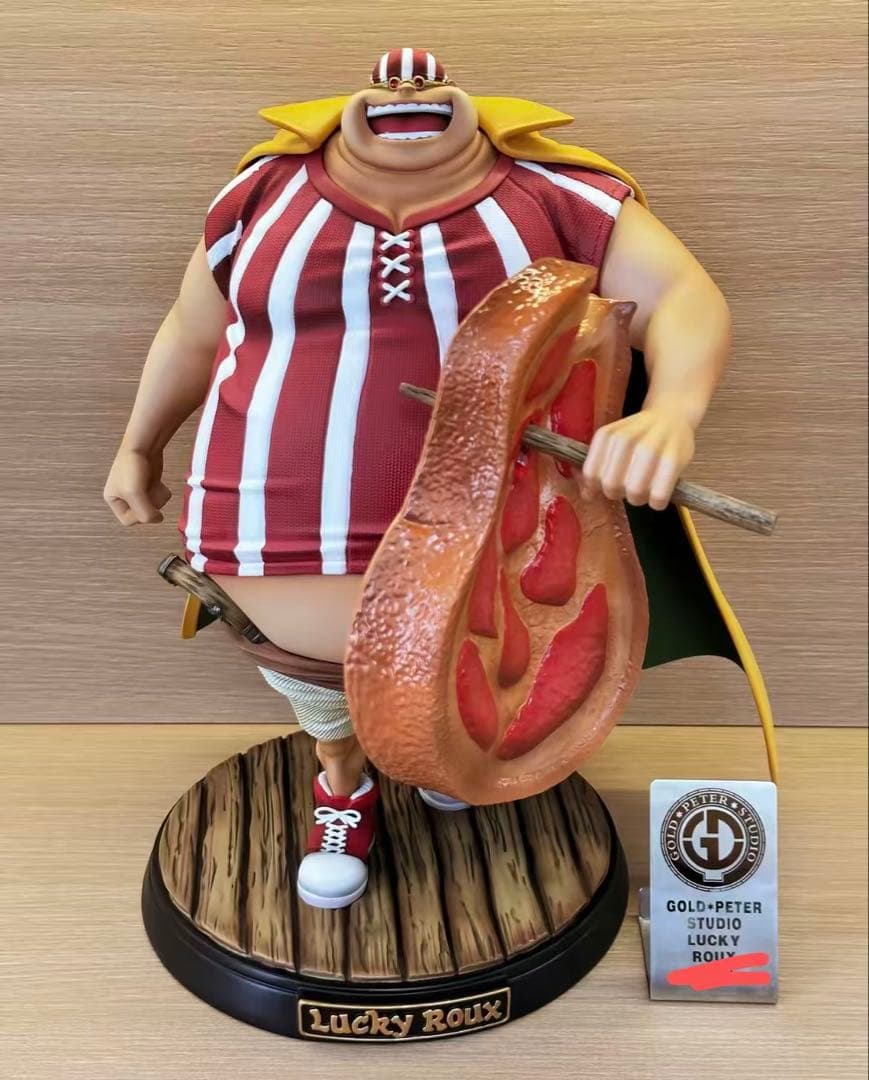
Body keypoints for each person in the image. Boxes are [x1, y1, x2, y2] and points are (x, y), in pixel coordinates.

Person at [104, 49, 732, 909]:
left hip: (494, 519)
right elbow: (191, 330)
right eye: (390, 90)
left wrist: (671, 412)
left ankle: (450, 753)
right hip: (267, 516)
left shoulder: (560, 196)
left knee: (478, 658)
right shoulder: (255, 196)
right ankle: (343, 787)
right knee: (318, 690)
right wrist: (139, 445)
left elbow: (683, 297)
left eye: (426, 90)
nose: (408, 94)